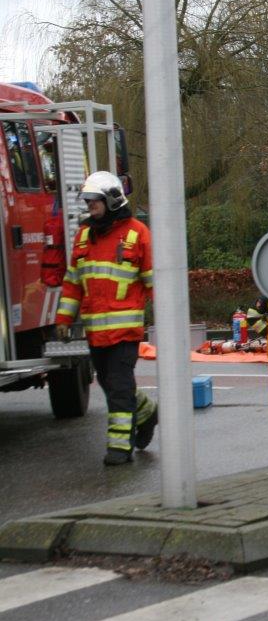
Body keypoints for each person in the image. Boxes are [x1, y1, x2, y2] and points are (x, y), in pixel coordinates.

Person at [55, 171, 158, 466]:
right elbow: (73, 281)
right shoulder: (84, 235)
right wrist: (63, 319)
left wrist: (166, 320)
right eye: (87, 201)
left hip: (125, 334)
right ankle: (148, 412)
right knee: (113, 385)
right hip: (95, 333)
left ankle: (119, 448)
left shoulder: (137, 233)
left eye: (94, 200)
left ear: (111, 200)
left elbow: (153, 281)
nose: (90, 206)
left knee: (119, 387)